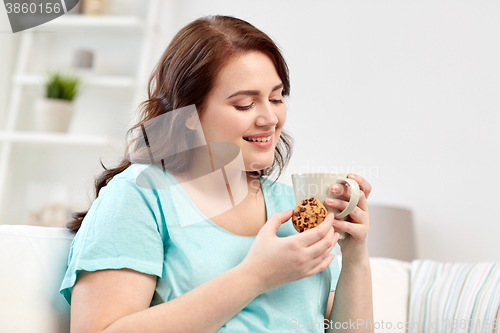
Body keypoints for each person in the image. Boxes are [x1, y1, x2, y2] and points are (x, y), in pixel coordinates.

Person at [60, 15, 374, 333]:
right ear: (187, 116)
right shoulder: (140, 196)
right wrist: (255, 276)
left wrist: (355, 256)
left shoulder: (291, 204)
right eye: (244, 105)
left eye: (277, 98)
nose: (270, 118)